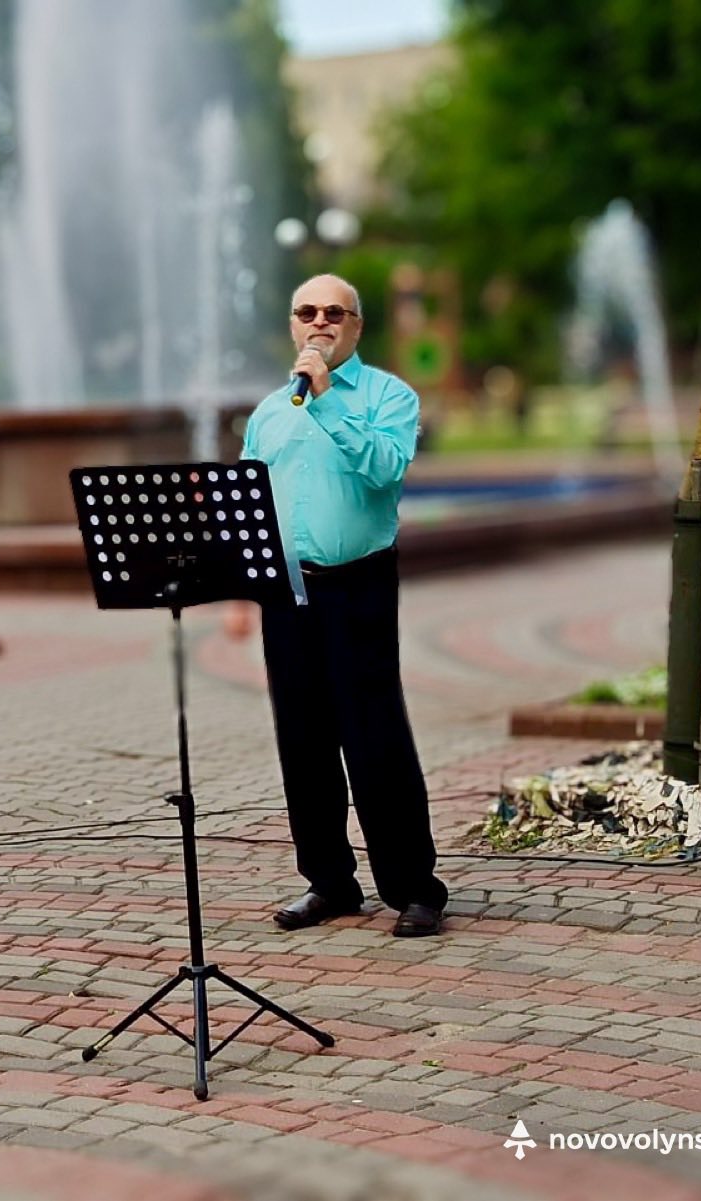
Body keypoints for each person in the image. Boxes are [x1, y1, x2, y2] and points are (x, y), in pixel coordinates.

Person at [232, 273, 449, 938]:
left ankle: (414, 887)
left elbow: (385, 467)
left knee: (374, 735)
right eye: (307, 312)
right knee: (302, 739)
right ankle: (328, 881)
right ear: (292, 325)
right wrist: (241, 584)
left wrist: (326, 399)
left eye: (334, 312)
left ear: (356, 326)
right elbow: (249, 500)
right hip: (285, 588)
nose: (319, 322)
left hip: (358, 583)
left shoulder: (389, 396)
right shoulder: (269, 411)